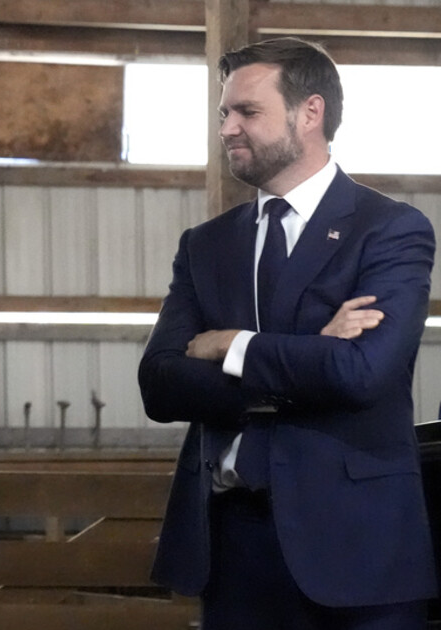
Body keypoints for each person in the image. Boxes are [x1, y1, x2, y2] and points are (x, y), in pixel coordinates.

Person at [139, 37, 437, 629]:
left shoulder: (390, 230)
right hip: (232, 545)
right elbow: (160, 383)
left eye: (247, 112)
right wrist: (310, 353)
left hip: (356, 547)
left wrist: (231, 345)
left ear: (310, 112)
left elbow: (360, 373)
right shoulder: (206, 245)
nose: (227, 128)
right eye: (224, 113)